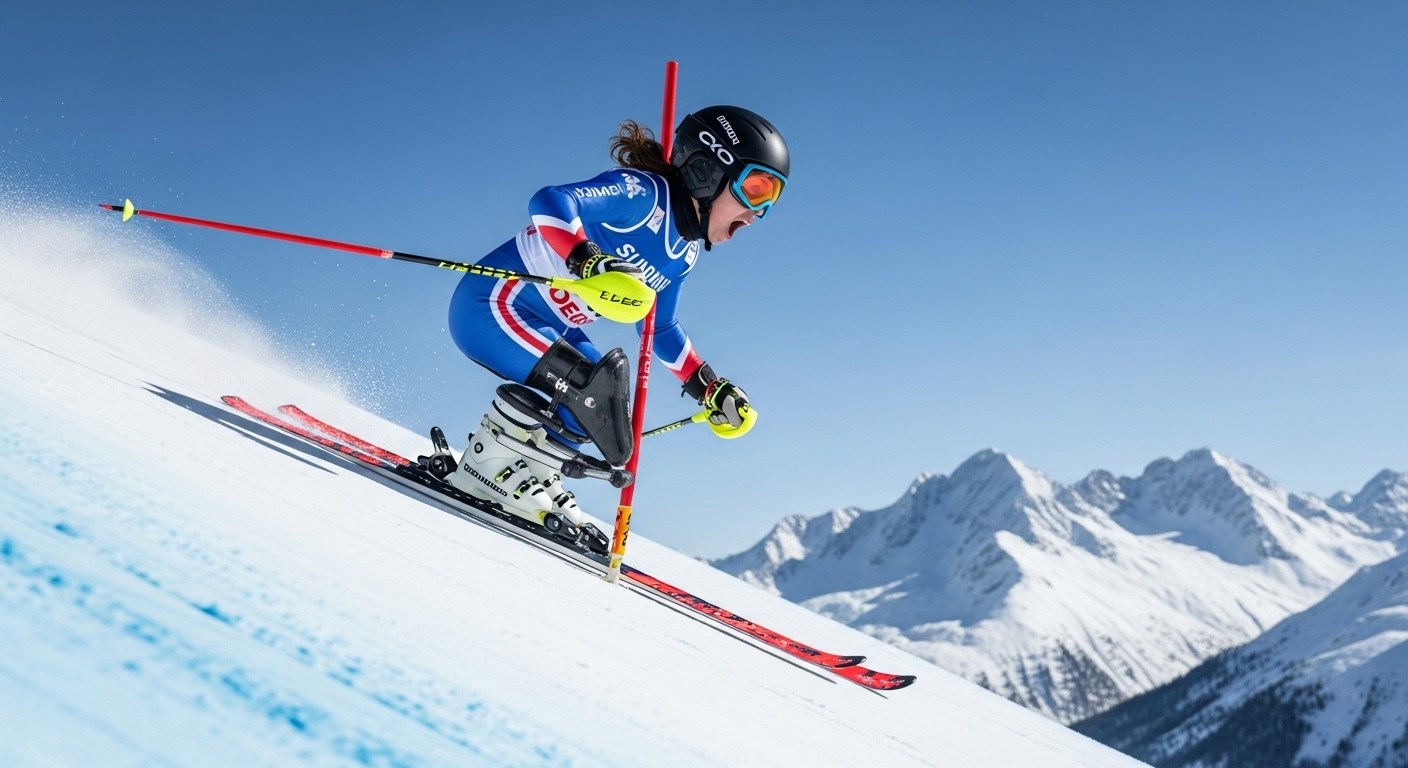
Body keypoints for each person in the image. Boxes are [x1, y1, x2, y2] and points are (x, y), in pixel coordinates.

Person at [429, 105, 789, 544]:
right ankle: (485, 468)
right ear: (707, 170)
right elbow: (550, 201)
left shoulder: (685, 252)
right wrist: (586, 259)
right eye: (756, 189)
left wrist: (708, 386)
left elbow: (659, 325)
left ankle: (529, 474)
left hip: (548, 325)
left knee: (607, 404)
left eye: (772, 198)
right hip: (494, 304)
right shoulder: (643, 195)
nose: (759, 213)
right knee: (593, 391)